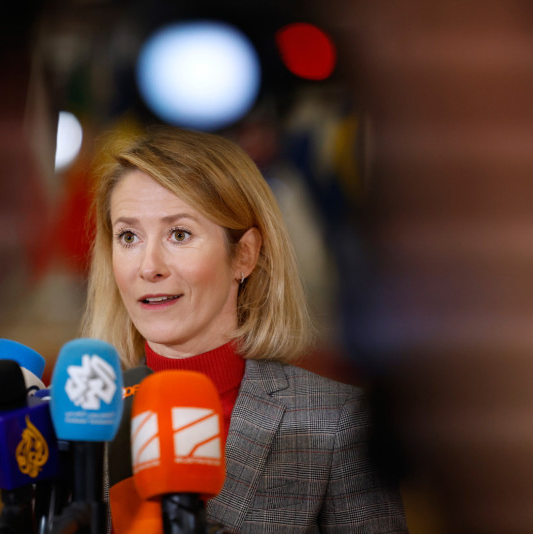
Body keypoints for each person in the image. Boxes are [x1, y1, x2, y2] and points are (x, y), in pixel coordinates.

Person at [80, 125, 408, 532]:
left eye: (179, 234)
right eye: (129, 236)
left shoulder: (338, 422)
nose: (149, 267)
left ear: (245, 255)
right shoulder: (81, 423)